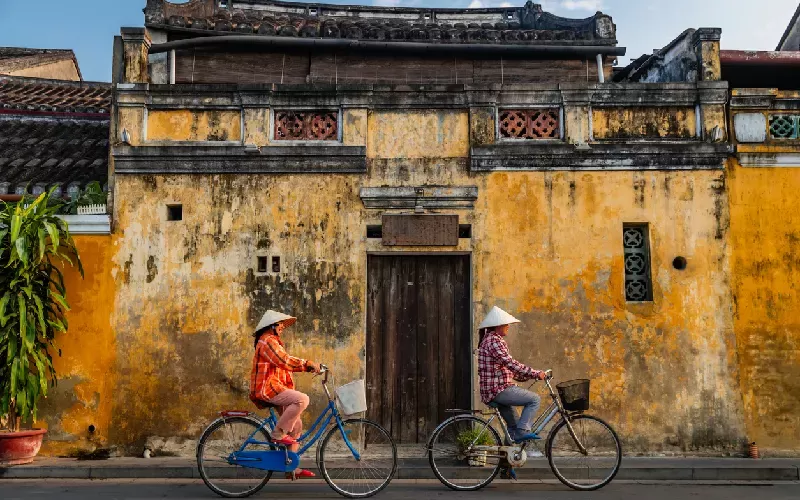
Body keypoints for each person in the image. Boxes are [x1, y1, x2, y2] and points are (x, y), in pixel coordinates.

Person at [250, 310, 321, 479]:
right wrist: (308, 364)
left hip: (276, 388)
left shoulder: (273, 341)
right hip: (267, 388)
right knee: (302, 399)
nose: (282, 327)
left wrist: (308, 366)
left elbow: (284, 364)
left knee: (296, 426)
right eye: (280, 324)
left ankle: (290, 468)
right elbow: (284, 360)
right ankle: (278, 434)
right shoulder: (267, 341)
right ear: (272, 326)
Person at [477, 306, 547, 443]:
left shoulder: (491, 339)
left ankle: (506, 462)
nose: (508, 326)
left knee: (512, 429)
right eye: (506, 324)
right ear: (499, 325)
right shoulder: (494, 341)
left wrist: (528, 376)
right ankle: (523, 432)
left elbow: (506, 369)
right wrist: (535, 373)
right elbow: (510, 363)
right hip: (498, 390)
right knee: (534, 400)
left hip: (494, 390)